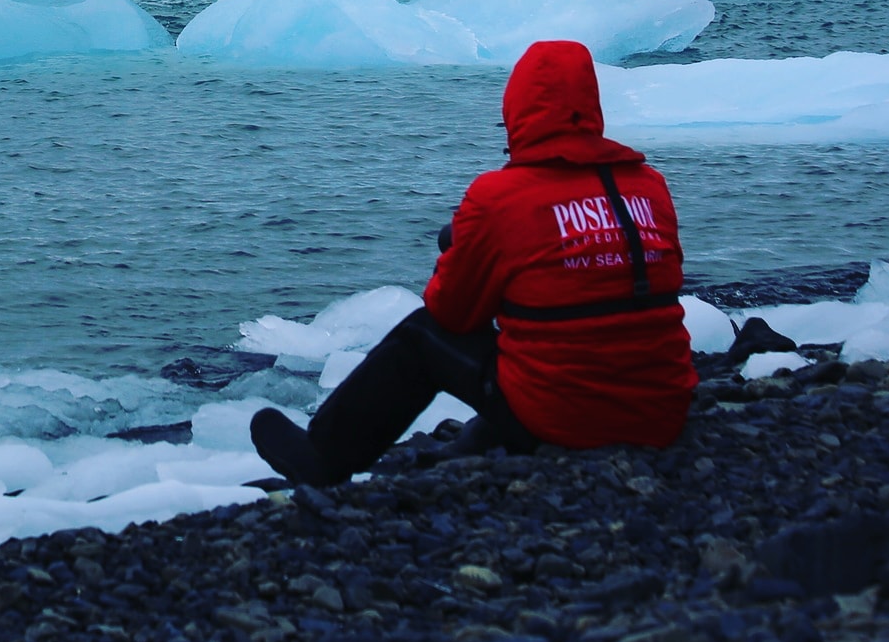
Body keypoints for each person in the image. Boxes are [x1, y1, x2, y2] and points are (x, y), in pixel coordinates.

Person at [250, 38, 696, 485]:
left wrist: (465, 251)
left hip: (566, 418)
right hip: (662, 412)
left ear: (518, 112)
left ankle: (325, 456)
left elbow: (453, 313)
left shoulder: (501, 197)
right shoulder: (649, 185)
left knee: (423, 335)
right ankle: (478, 443)